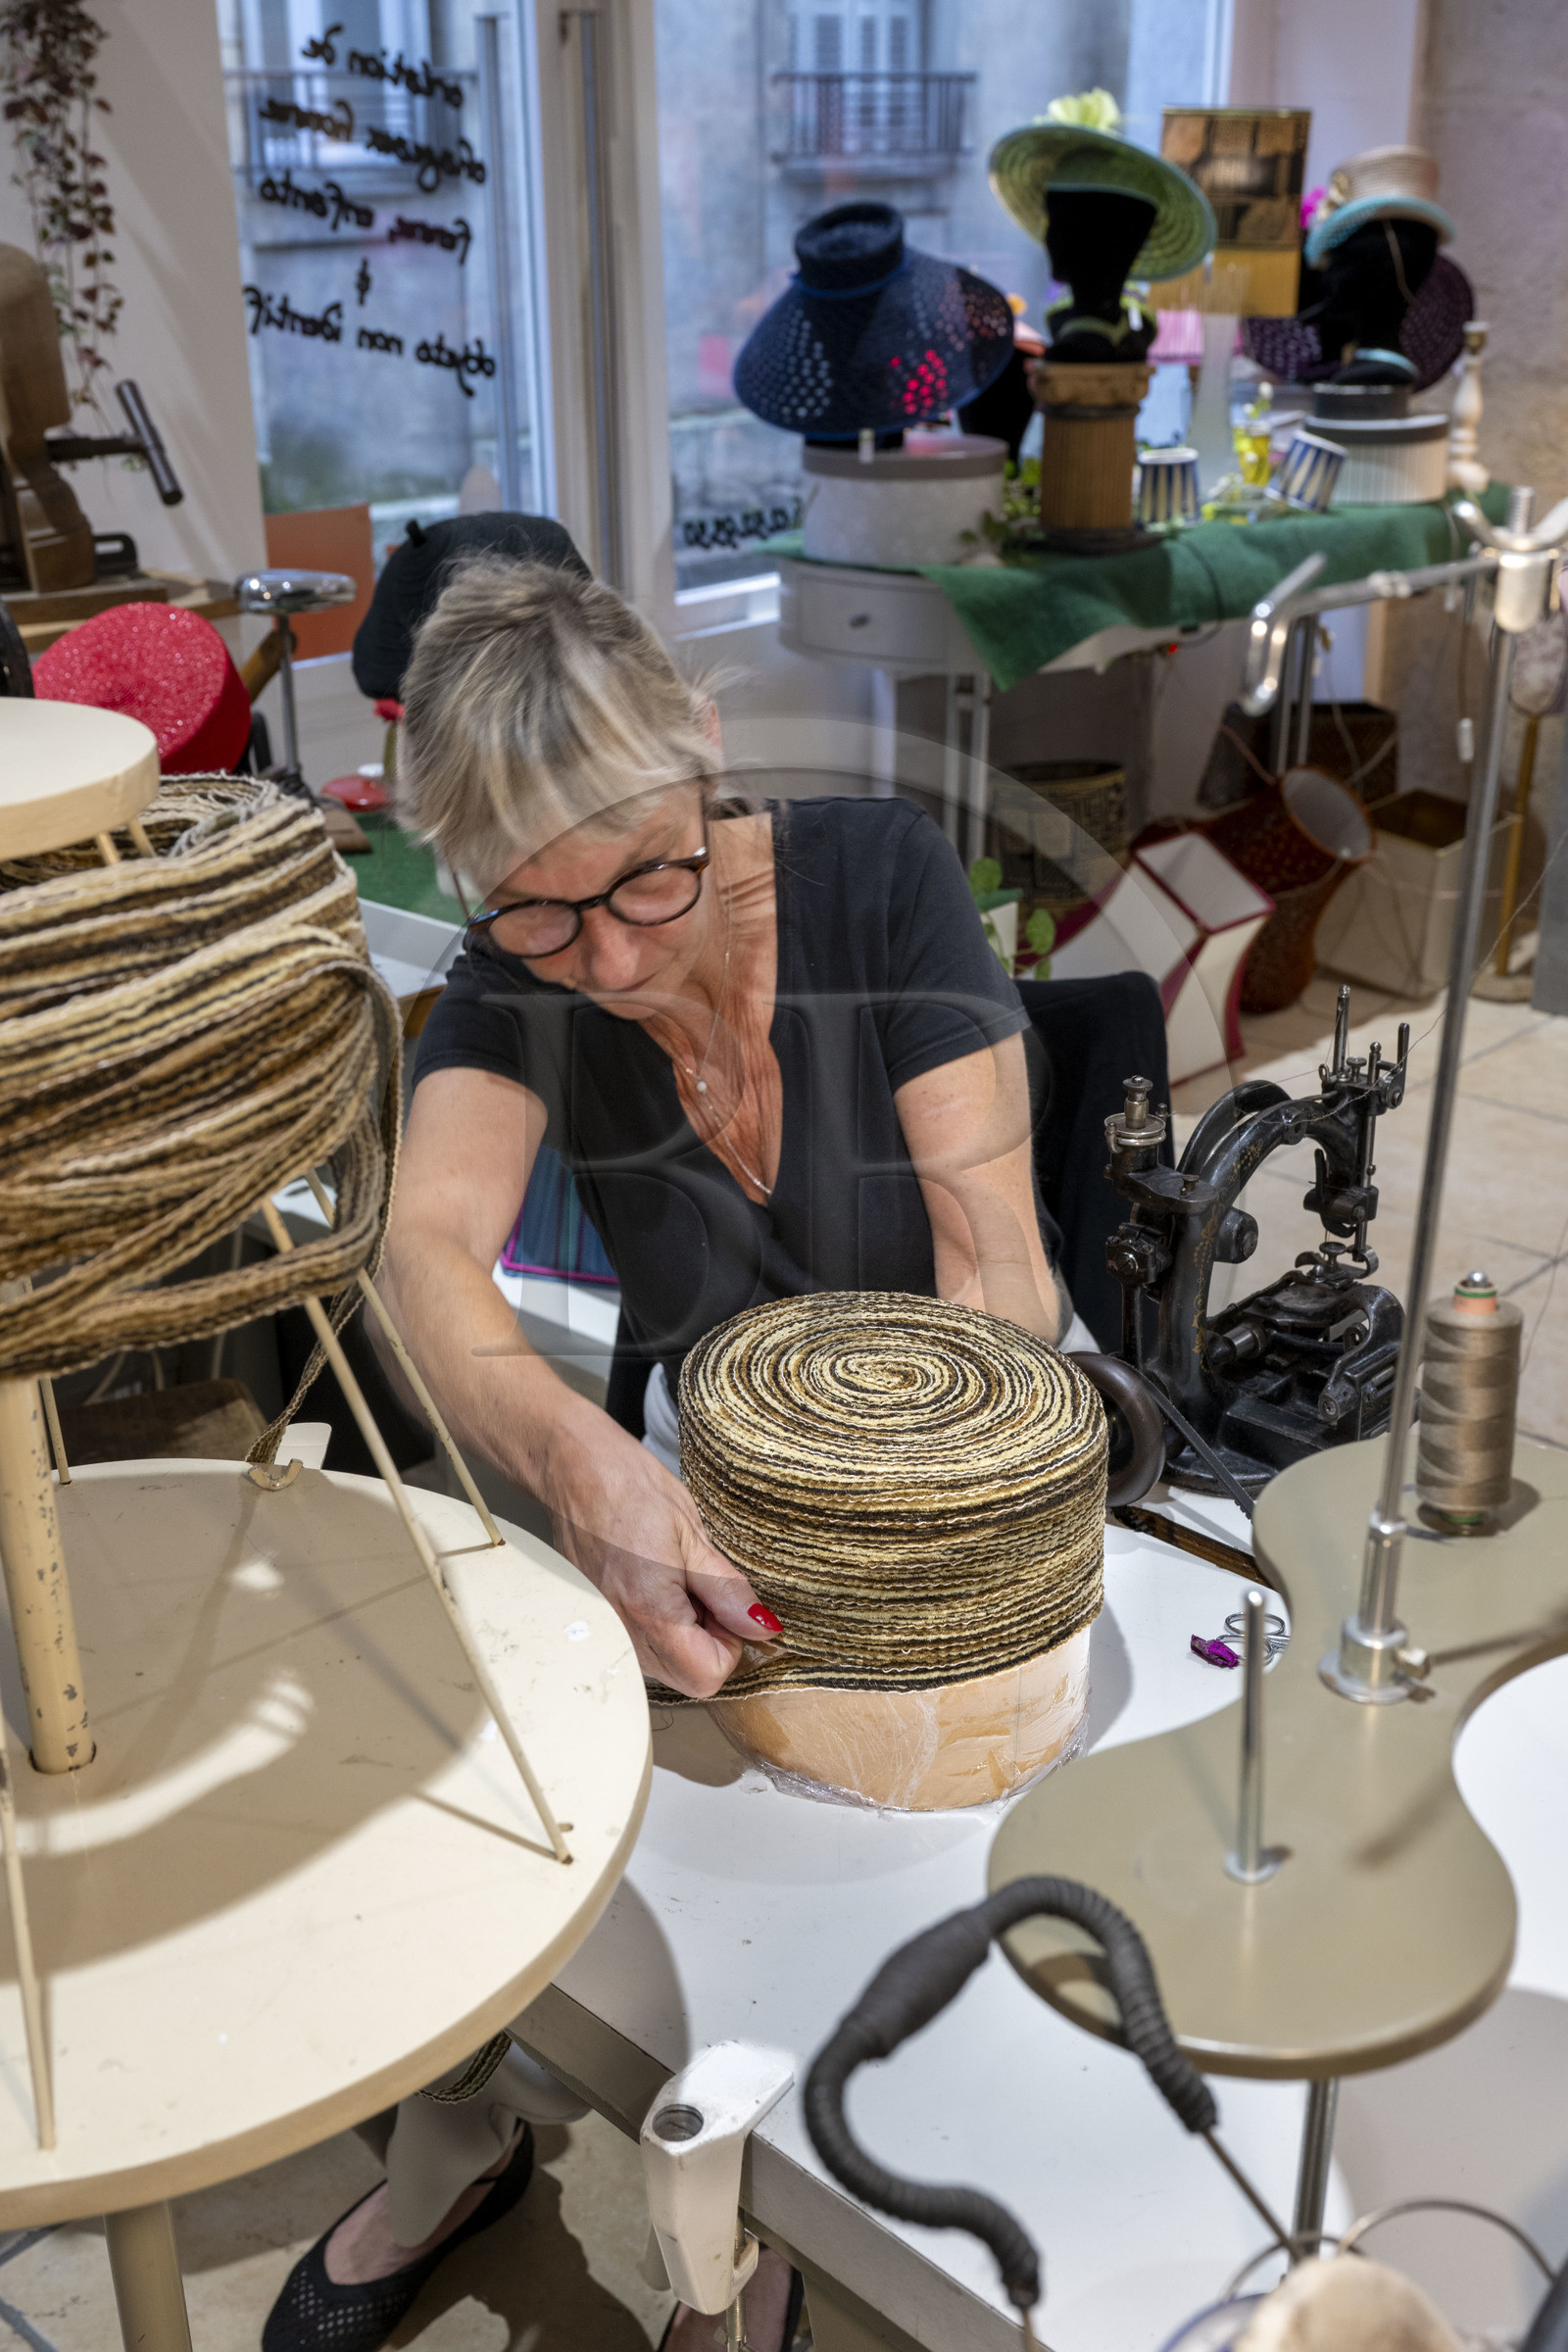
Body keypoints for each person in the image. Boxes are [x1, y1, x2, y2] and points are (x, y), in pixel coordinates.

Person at [265, 545, 1093, 2352]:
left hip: (947, 1469)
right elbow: (421, 1253)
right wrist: (584, 1472)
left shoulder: (881, 878)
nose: (616, 958)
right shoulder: (517, 983)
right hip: (669, 1476)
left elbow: (996, 1269)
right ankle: (459, 2138)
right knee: (490, 1799)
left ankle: (751, 2216)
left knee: (863, 1865)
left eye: (651, 874)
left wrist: (878, 1550)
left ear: (705, 749)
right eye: (541, 916)